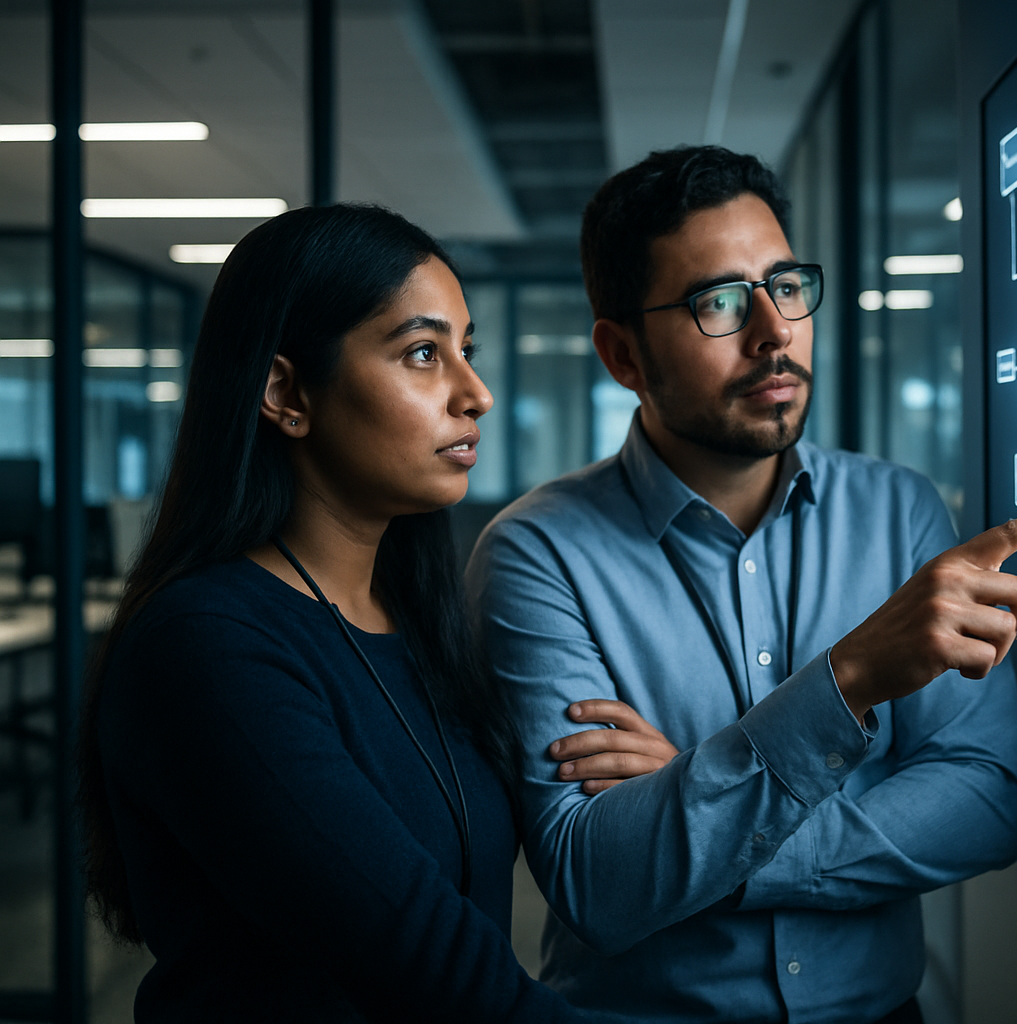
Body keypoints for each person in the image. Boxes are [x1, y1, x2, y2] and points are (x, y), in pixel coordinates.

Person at [465, 146, 1017, 1023]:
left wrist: (698, 801)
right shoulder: (535, 555)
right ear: (622, 354)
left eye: (785, 286)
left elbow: (986, 799)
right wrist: (851, 681)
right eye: (718, 301)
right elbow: (597, 880)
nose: (773, 330)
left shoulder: (899, 511)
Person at [78, 203, 634, 1022]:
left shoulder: (414, 626)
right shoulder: (207, 649)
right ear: (285, 391)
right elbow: (434, 965)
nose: (475, 393)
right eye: (421, 353)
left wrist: (670, 774)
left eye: (465, 351)